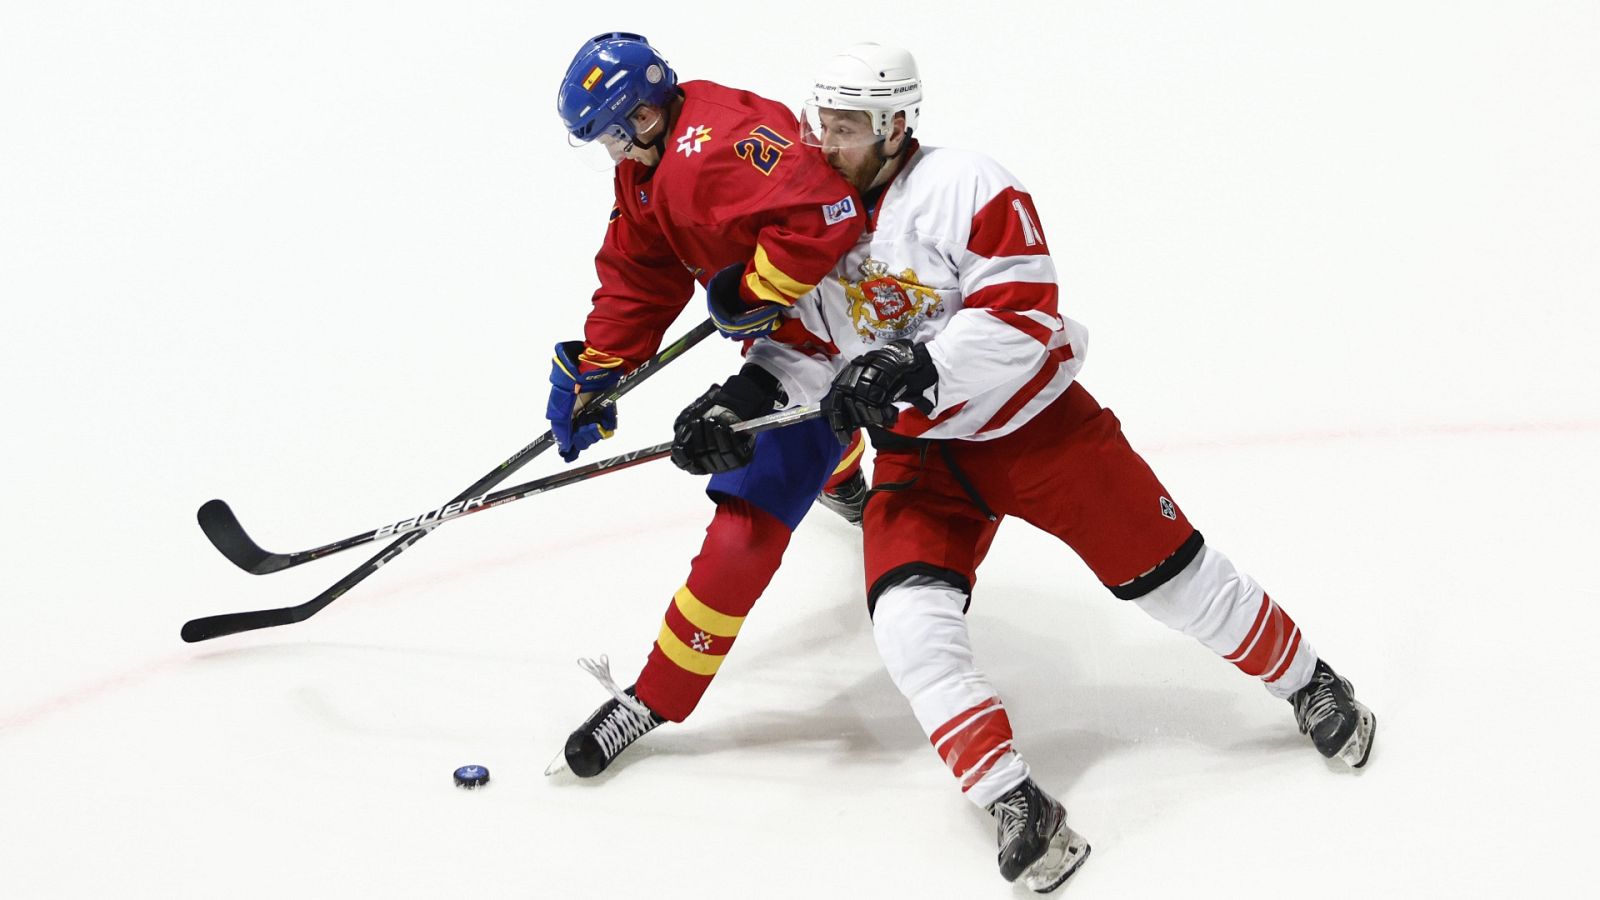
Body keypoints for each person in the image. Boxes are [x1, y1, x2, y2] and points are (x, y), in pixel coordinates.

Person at [670, 43, 1377, 893]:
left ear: (899, 125)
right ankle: (1014, 800)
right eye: (823, 120)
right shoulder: (813, 213)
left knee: (1177, 582)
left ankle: (1312, 684)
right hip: (922, 460)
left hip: (1036, 431)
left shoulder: (966, 185)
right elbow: (809, 351)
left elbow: (1024, 309)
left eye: (849, 125)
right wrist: (737, 403)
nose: (828, 141)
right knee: (905, 626)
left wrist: (917, 365)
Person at [545, 33, 872, 778]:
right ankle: (845, 474)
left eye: (616, 134)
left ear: (650, 115)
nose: (613, 151)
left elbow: (830, 214)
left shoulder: (718, 146)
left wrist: (754, 291)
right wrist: (601, 366)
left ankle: (652, 699)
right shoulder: (648, 171)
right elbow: (641, 270)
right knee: (795, 435)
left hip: (864, 329)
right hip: (799, 343)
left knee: (743, 526)